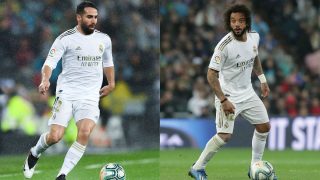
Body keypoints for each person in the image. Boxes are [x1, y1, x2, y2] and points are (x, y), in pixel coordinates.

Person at [23, 1, 115, 179]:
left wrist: (111, 83)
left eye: (95, 17)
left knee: (85, 131)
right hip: (67, 93)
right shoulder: (65, 38)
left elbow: (108, 62)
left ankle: (62, 174)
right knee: (55, 136)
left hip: (90, 95)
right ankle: (34, 152)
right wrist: (45, 80)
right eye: (89, 17)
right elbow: (49, 63)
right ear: (79, 17)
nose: (93, 20)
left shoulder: (104, 39)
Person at [188, 4, 277, 180]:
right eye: (233, 21)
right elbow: (211, 75)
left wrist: (262, 79)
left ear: (247, 23)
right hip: (228, 96)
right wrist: (223, 100)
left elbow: (255, 56)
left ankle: (255, 167)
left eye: (241, 21)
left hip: (248, 93)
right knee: (224, 136)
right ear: (229, 23)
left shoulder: (254, 37)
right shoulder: (224, 46)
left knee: (264, 127)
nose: (237, 24)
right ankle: (197, 168)